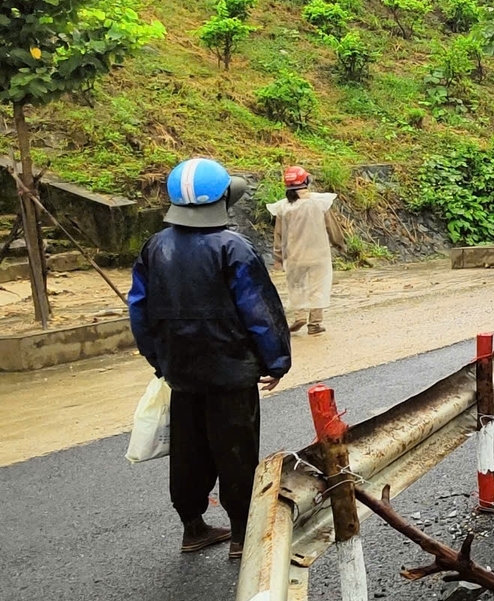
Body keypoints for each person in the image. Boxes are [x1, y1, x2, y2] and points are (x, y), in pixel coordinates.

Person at [129, 158, 292, 558]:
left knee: (189, 449)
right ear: (222, 199)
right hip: (231, 372)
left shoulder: (156, 247)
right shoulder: (233, 248)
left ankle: (193, 527)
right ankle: (240, 534)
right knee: (234, 449)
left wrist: (159, 360)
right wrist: (276, 361)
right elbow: (259, 310)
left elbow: (139, 309)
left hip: (180, 373)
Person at [268, 165, 342, 334]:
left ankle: (299, 316)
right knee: (318, 287)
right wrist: (339, 243)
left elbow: (279, 235)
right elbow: (332, 227)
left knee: (296, 286)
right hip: (318, 255)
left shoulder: (282, 207)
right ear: (306, 181)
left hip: (294, 257)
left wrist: (278, 257)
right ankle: (315, 323)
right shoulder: (320, 202)